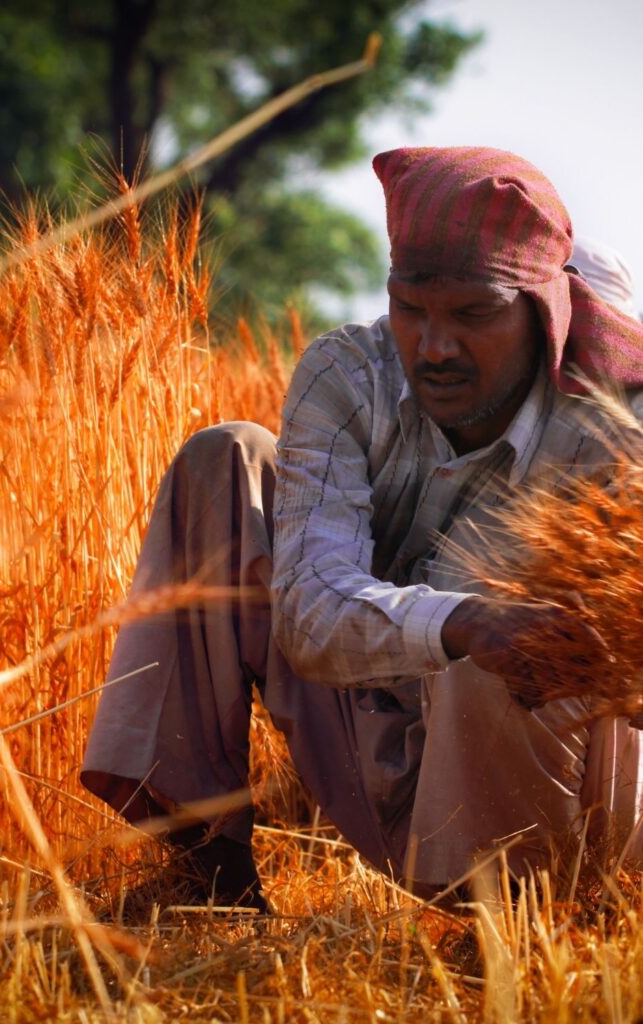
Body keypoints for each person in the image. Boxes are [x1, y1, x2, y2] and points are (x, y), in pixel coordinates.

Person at [82, 147, 643, 910]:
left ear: (543, 309)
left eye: (474, 314)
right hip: (372, 748)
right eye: (411, 307)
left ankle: (509, 922)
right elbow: (312, 613)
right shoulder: (350, 376)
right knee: (228, 460)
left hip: (565, 805)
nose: (434, 348)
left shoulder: (617, 424)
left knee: (507, 606)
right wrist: (464, 623)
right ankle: (204, 877)